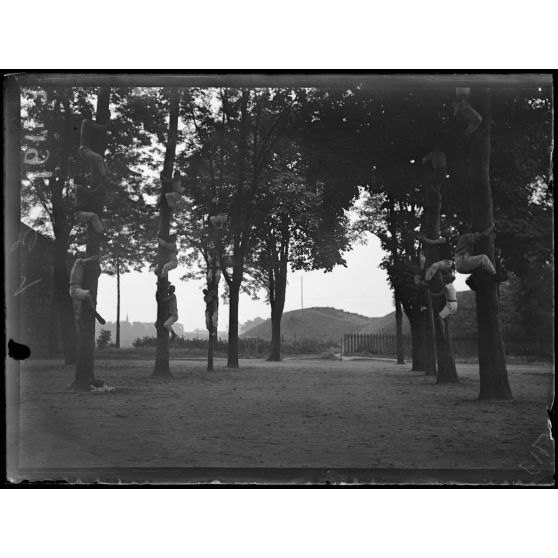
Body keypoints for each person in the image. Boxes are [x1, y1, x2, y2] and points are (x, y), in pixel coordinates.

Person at [69, 253, 106, 325]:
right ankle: (94, 313)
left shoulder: (82, 268)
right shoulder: (78, 261)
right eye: (79, 254)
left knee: (78, 314)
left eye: (81, 254)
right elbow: (90, 260)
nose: (81, 255)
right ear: (76, 256)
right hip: (75, 289)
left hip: (76, 289)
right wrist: (97, 256)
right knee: (88, 296)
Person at [79, 109, 110, 183]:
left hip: (86, 150)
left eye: (90, 113)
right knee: (99, 158)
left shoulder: (87, 122)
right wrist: (108, 124)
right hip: (84, 150)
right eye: (89, 113)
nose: (91, 114)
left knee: (99, 164)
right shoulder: (86, 121)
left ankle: (91, 178)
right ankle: (103, 177)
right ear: (85, 115)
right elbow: (99, 127)